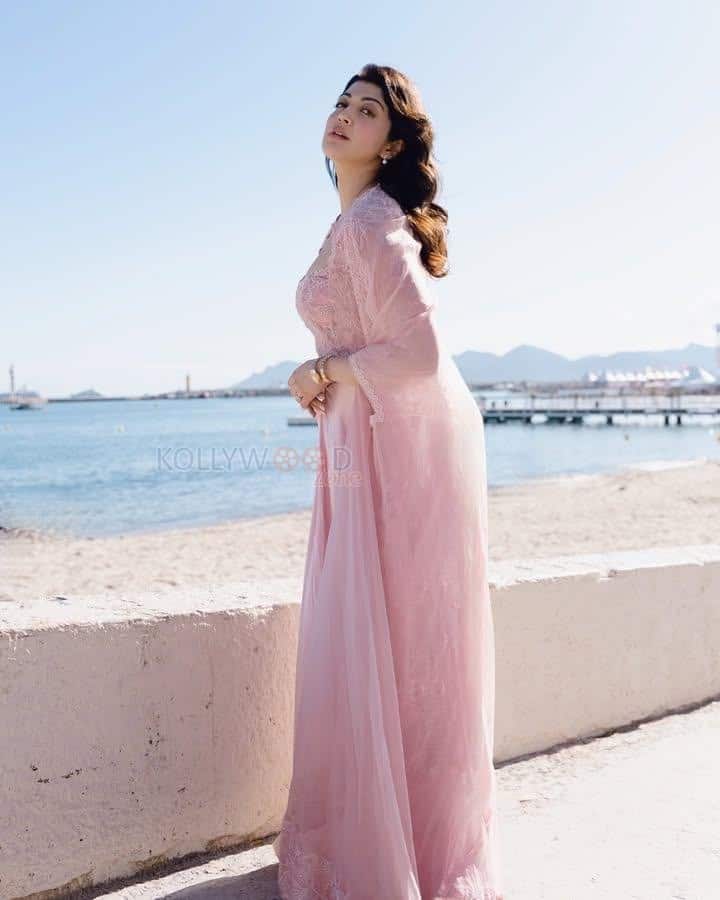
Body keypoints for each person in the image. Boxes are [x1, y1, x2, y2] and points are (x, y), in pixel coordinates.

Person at [273, 63, 504, 900]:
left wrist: (326, 366)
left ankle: (402, 850)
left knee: (397, 642)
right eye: (340, 102)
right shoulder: (354, 223)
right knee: (392, 640)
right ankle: (394, 834)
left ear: (394, 140)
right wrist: (330, 383)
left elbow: (420, 355)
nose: (343, 116)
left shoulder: (373, 223)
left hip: (395, 455)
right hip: (367, 444)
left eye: (365, 111)